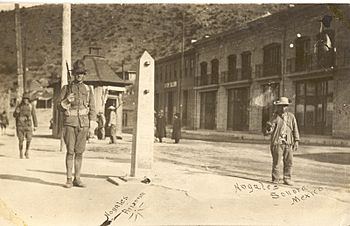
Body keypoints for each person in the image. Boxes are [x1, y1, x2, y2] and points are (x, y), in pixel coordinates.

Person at [60, 59, 96, 188]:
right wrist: (66, 100)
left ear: (84, 74)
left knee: (79, 152)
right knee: (70, 152)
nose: (79, 75)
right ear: (74, 74)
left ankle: (77, 178)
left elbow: (92, 108)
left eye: (81, 73)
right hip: (70, 123)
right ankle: (69, 179)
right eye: (77, 73)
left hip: (83, 124)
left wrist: (92, 126)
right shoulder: (66, 88)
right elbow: (59, 107)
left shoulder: (88, 88)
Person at [264, 96, 300, 186]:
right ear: (278, 107)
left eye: (285, 106)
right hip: (277, 143)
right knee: (277, 161)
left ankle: (287, 178)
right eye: (281, 106)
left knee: (289, 161)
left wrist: (296, 140)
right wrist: (268, 128)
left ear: (287, 107)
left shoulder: (291, 117)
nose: (283, 108)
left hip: (288, 143)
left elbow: (295, 129)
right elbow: (269, 131)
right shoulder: (274, 117)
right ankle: (276, 178)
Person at [13, 92, 38, 159]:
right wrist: (16, 112)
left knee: (29, 139)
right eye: (24, 99)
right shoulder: (19, 106)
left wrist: (35, 125)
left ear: (29, 99)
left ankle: (26, 151)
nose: (25, 100)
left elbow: (34, 115)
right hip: (20, 125)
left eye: (27, 99)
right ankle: (21, 152)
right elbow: (14, 115)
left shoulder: (31, 106)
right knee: (21, 140)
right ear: (23, 99)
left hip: (28, 125)